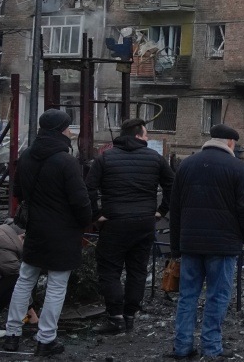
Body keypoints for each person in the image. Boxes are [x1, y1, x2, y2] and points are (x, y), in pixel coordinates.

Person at [4, 109, 92, 357]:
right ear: (60, 130)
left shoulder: (26, 156)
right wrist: (85, 222)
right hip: (63, 232)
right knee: (56, 286)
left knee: (25, 280)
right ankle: (46, 339)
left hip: (35, 229)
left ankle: (12, 334)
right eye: (68, 127)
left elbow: (18, 192)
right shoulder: (66, 161)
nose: (70, 131)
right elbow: (80, 201)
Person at [168, 124, 244, 360]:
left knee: (187, 296)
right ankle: (211, 348)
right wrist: (242, 236)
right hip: (223, 246)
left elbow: (175, 208)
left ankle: (182, 346)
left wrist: (176, 246)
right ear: (230, 143)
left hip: (190, 244)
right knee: (217, 296)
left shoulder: (187, 164)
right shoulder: (237, 168)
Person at [87, 117, 175, 334]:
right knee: (137, 270)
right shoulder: (155, 158)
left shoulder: (105, 158)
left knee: (110, 270)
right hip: (144, 223)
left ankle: (115, 317)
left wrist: (96, 215)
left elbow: (88, 189)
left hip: (114, 223)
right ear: (137, 135)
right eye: (146, 134)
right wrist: (161, 211)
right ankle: (129, 316)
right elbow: (172, 185)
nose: (148, 138)